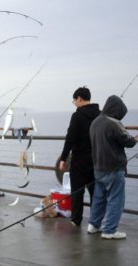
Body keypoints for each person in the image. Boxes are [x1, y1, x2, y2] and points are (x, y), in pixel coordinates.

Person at [87, 95, 138, 240]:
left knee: (99, 197)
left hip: (98, 167)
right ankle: (110, 230)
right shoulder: (113, 124)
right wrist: (136, 138)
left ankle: (93, 225)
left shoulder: (95, 122)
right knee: (116, 199)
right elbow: (127, 141)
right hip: (113, 167)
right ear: (117, 110)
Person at [58, 87, 100, 226]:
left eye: (74, 101)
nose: (74, 104)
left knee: (77, 192)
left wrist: (63, 158)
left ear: (79, 99)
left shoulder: (77, 116)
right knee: (95, 193)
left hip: (79, 160)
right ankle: (95, 222)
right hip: (96, 160)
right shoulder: (100, 115)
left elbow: (70, 138)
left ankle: (76, 220)